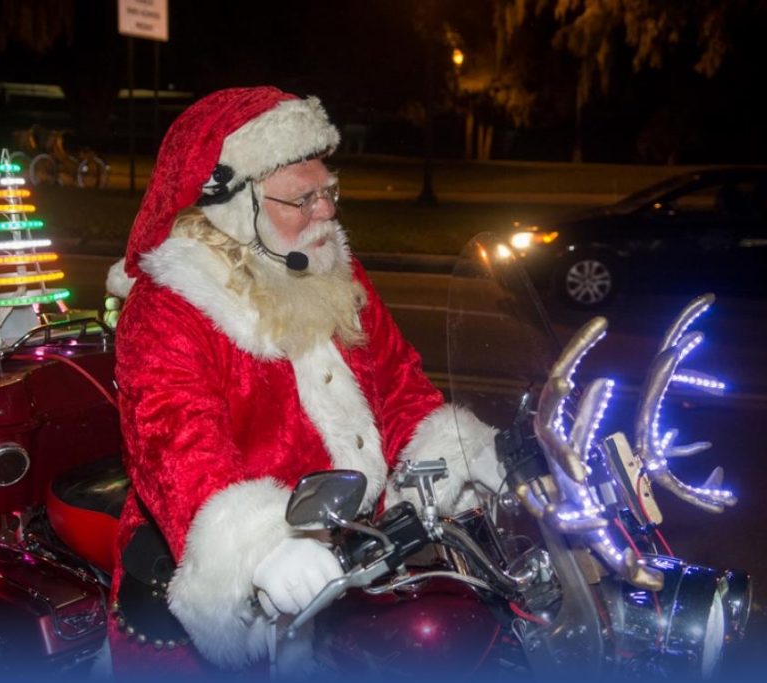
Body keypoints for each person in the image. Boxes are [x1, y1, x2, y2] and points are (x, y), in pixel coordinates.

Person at [104, 86, 502, 676]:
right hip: (231, 589)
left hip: (355, 559)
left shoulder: (332, 269)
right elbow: (177, 445)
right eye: (302, 198)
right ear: (234, 206)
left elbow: (399, 384)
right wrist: (261, 546)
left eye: (328, 191)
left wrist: (461, 451)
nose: (327, 212)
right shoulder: (168, 308)